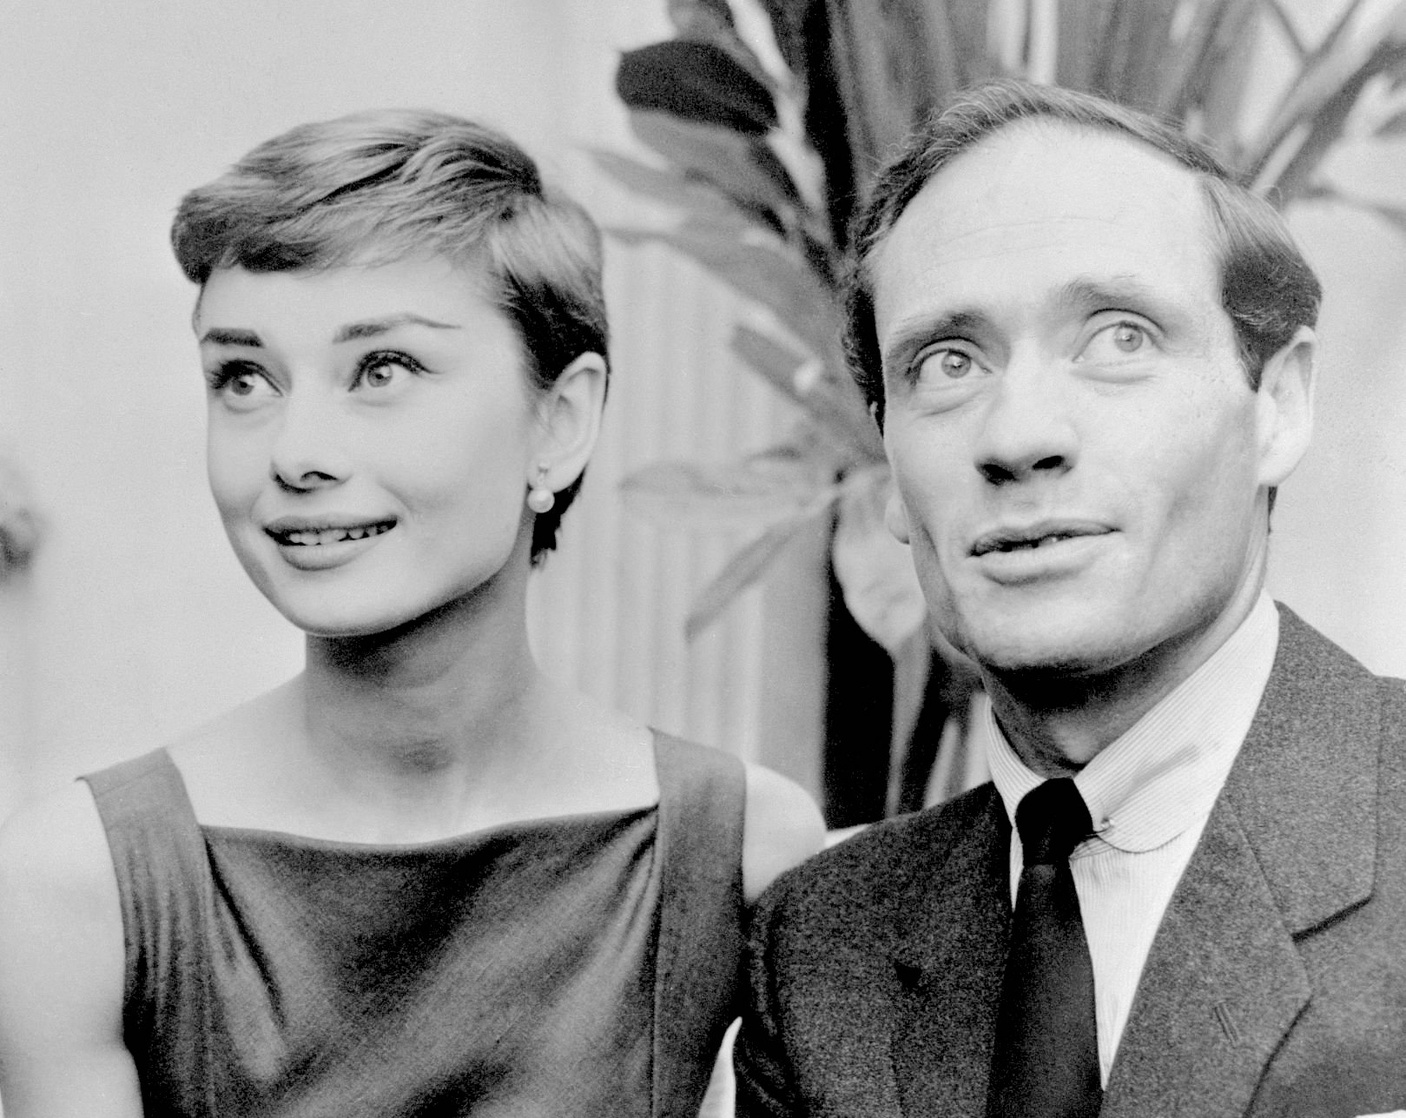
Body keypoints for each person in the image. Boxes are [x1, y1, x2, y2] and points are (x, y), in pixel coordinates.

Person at [0, 108, 824, 1117]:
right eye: (244, 378)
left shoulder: (743, 852)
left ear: (559, 422)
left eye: (382, 369)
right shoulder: (76, 889)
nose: (296, 452)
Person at [735, 80, 1406, 1117]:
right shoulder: (820, 948)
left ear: (1275, 403)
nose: (1017, 436)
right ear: (887, 465)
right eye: (947, 362)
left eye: (1118, 337)